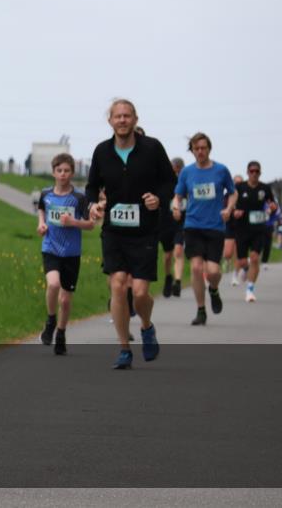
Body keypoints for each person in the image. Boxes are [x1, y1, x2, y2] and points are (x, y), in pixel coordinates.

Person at [86, 99, 176, 369]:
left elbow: (170, 182)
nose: (122, 120)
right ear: (110, 121)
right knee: (117, 284)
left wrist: (158, 199)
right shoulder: (102, 151)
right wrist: (93, 205)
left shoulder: (152, 148)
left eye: (127, 116)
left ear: (135, 119)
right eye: (117, 116)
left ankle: (147, 327)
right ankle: (124, 348)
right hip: (114, 231)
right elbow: (92, 187)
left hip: (145, 231)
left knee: (138, 293)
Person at [172, 132, 237, 326]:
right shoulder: (187, 172)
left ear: (209, 149)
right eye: (196, 148)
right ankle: (201, 310)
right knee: (196, 267)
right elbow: (178, 195)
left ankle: (214, 290)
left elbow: (233, 193)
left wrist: (229, 208)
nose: (200, 151)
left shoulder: (221, 171)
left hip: (215, 227)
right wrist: (176, 206)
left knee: (213, 271)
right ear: (192, 150)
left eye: (203, 148)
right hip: (192, 225)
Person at [37, 154, 95, 356]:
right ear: (53, 172)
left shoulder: (79, 198)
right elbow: (42, 210)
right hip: (51, 248)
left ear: (72, 172)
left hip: (71, 252)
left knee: (66, 300)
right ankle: (51, 320)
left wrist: (74, 222)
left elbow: (90, 224)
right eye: (59, 170)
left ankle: (61, 333)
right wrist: (41, 224)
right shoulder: (46, 194)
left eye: (67, 171)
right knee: (53, 284)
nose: (63, 174)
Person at [231, 161, 276, 303]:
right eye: (252, 171)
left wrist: (272, 207)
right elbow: (231, 204)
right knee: (243, 260)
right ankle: (245, 268)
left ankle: (250, 290)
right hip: (242, 229)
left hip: (258, 229)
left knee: (255, 258)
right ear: (247, 172)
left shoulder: (265, 188)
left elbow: (272, 204)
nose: (254, 174)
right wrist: (234, 212)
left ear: (260, 173)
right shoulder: (239, 187)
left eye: (257, 171)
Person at [160, 157, 186, 298]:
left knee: (178, 251)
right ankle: (168, 277)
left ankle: (178, 281)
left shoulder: (186, 184)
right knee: (168, 255)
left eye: (179, 170)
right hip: (165, 223)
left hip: (181, 223)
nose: (176, 173)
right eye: (174, 170)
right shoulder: (164, 184)